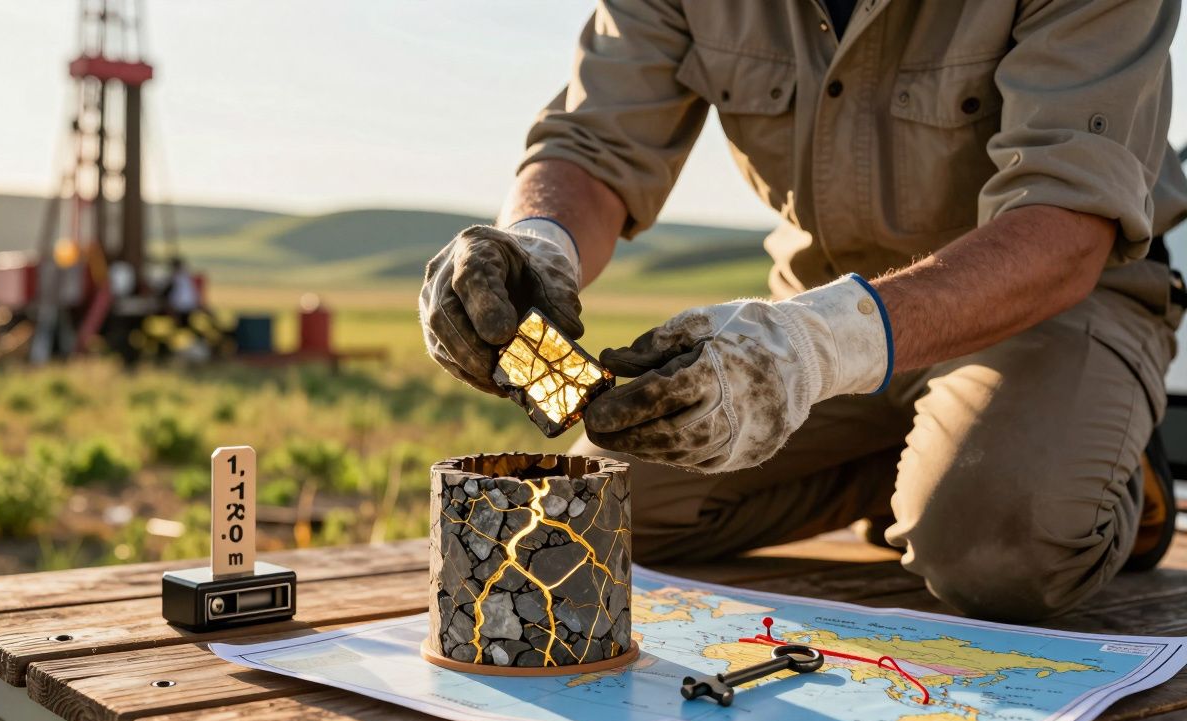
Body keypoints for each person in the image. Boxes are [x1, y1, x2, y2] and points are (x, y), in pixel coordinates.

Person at [419, 0, 1187, 622]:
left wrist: (816, 348)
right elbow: (593, 147)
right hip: (809, 317)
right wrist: (534, 242)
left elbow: (1065, 228)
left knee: (996, 550)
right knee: (607, 512)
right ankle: (917, 463)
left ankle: (1096, 458)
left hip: (1047, 304)